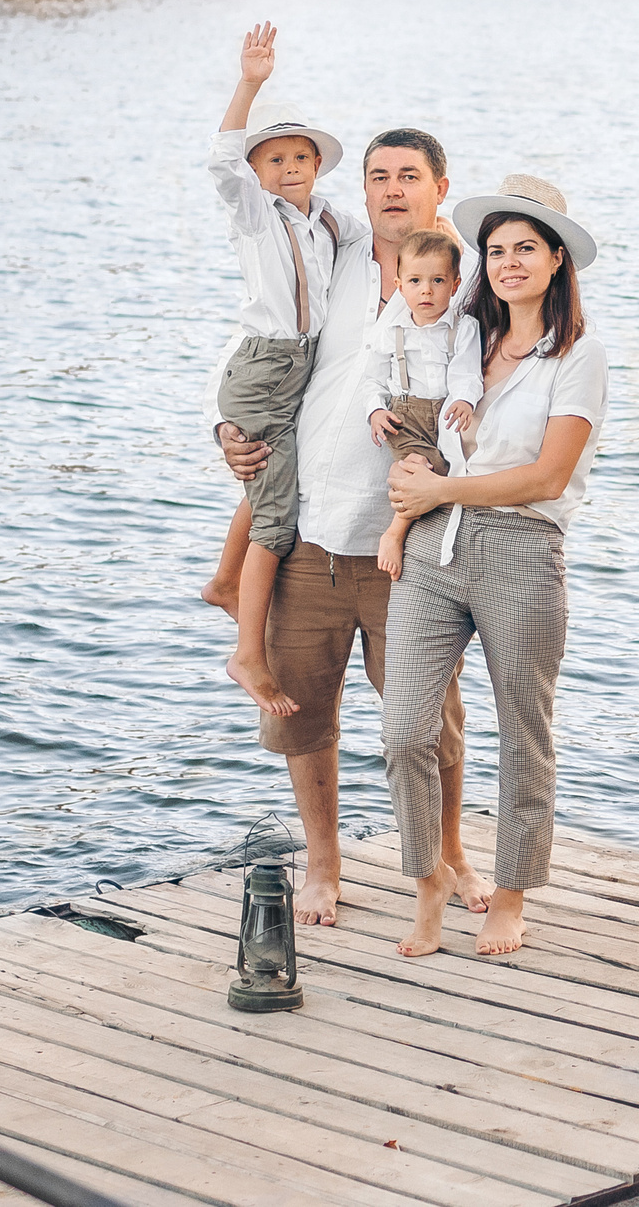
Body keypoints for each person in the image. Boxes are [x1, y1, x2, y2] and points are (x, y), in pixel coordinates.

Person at [214, 125, 484, 926]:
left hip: (414, 541)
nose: (393, 189)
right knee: (303, 710)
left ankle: (450, 853)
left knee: (431, 721)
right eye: (378, 176)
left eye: (409, 175)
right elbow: (258, 338)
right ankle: (323, 866)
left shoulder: (470, 287)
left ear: (440, 185)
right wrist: (225, 430)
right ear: (362, 189)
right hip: (311, 532)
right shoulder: (331, 253)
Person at [380, 175, 607, 957]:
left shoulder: (576, 358)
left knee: (522, 733)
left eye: (525, 250)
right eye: (497, 250)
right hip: (433, 546)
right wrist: (408, 499)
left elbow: (547, 476)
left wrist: (442, 484)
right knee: (404, 730)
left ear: (555, 261)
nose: (509, 262)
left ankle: (511, 895)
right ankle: (430, 878)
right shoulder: (460, 340)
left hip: (521, 550)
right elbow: (408, 403)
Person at [204, 22, 364, 716]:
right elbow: (220, 162)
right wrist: (250, 83)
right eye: (275, 159)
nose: (291, 166)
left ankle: (222, 580)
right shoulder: (256, 215)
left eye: (302, 156)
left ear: (318, 165)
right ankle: (248, 652)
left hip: (292, 369)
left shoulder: (330, 219)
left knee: (274, 485)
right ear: (258, 170)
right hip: (266, 366)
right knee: (278, 518)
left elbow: (390, 235)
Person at [363, 228, 481, 579]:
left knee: (448, 468)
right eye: (415, 280)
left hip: (447, 412)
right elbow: (372, 378)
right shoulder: (392, 330)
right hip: (405, 417)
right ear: (400, 285)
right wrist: (375, 410)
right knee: (421, 466)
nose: (426, 290)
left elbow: (468, 372)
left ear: (456, 284)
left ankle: (425, 534)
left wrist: (463, 399)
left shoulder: (464, 328)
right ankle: (395, 532)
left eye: (437, 280)